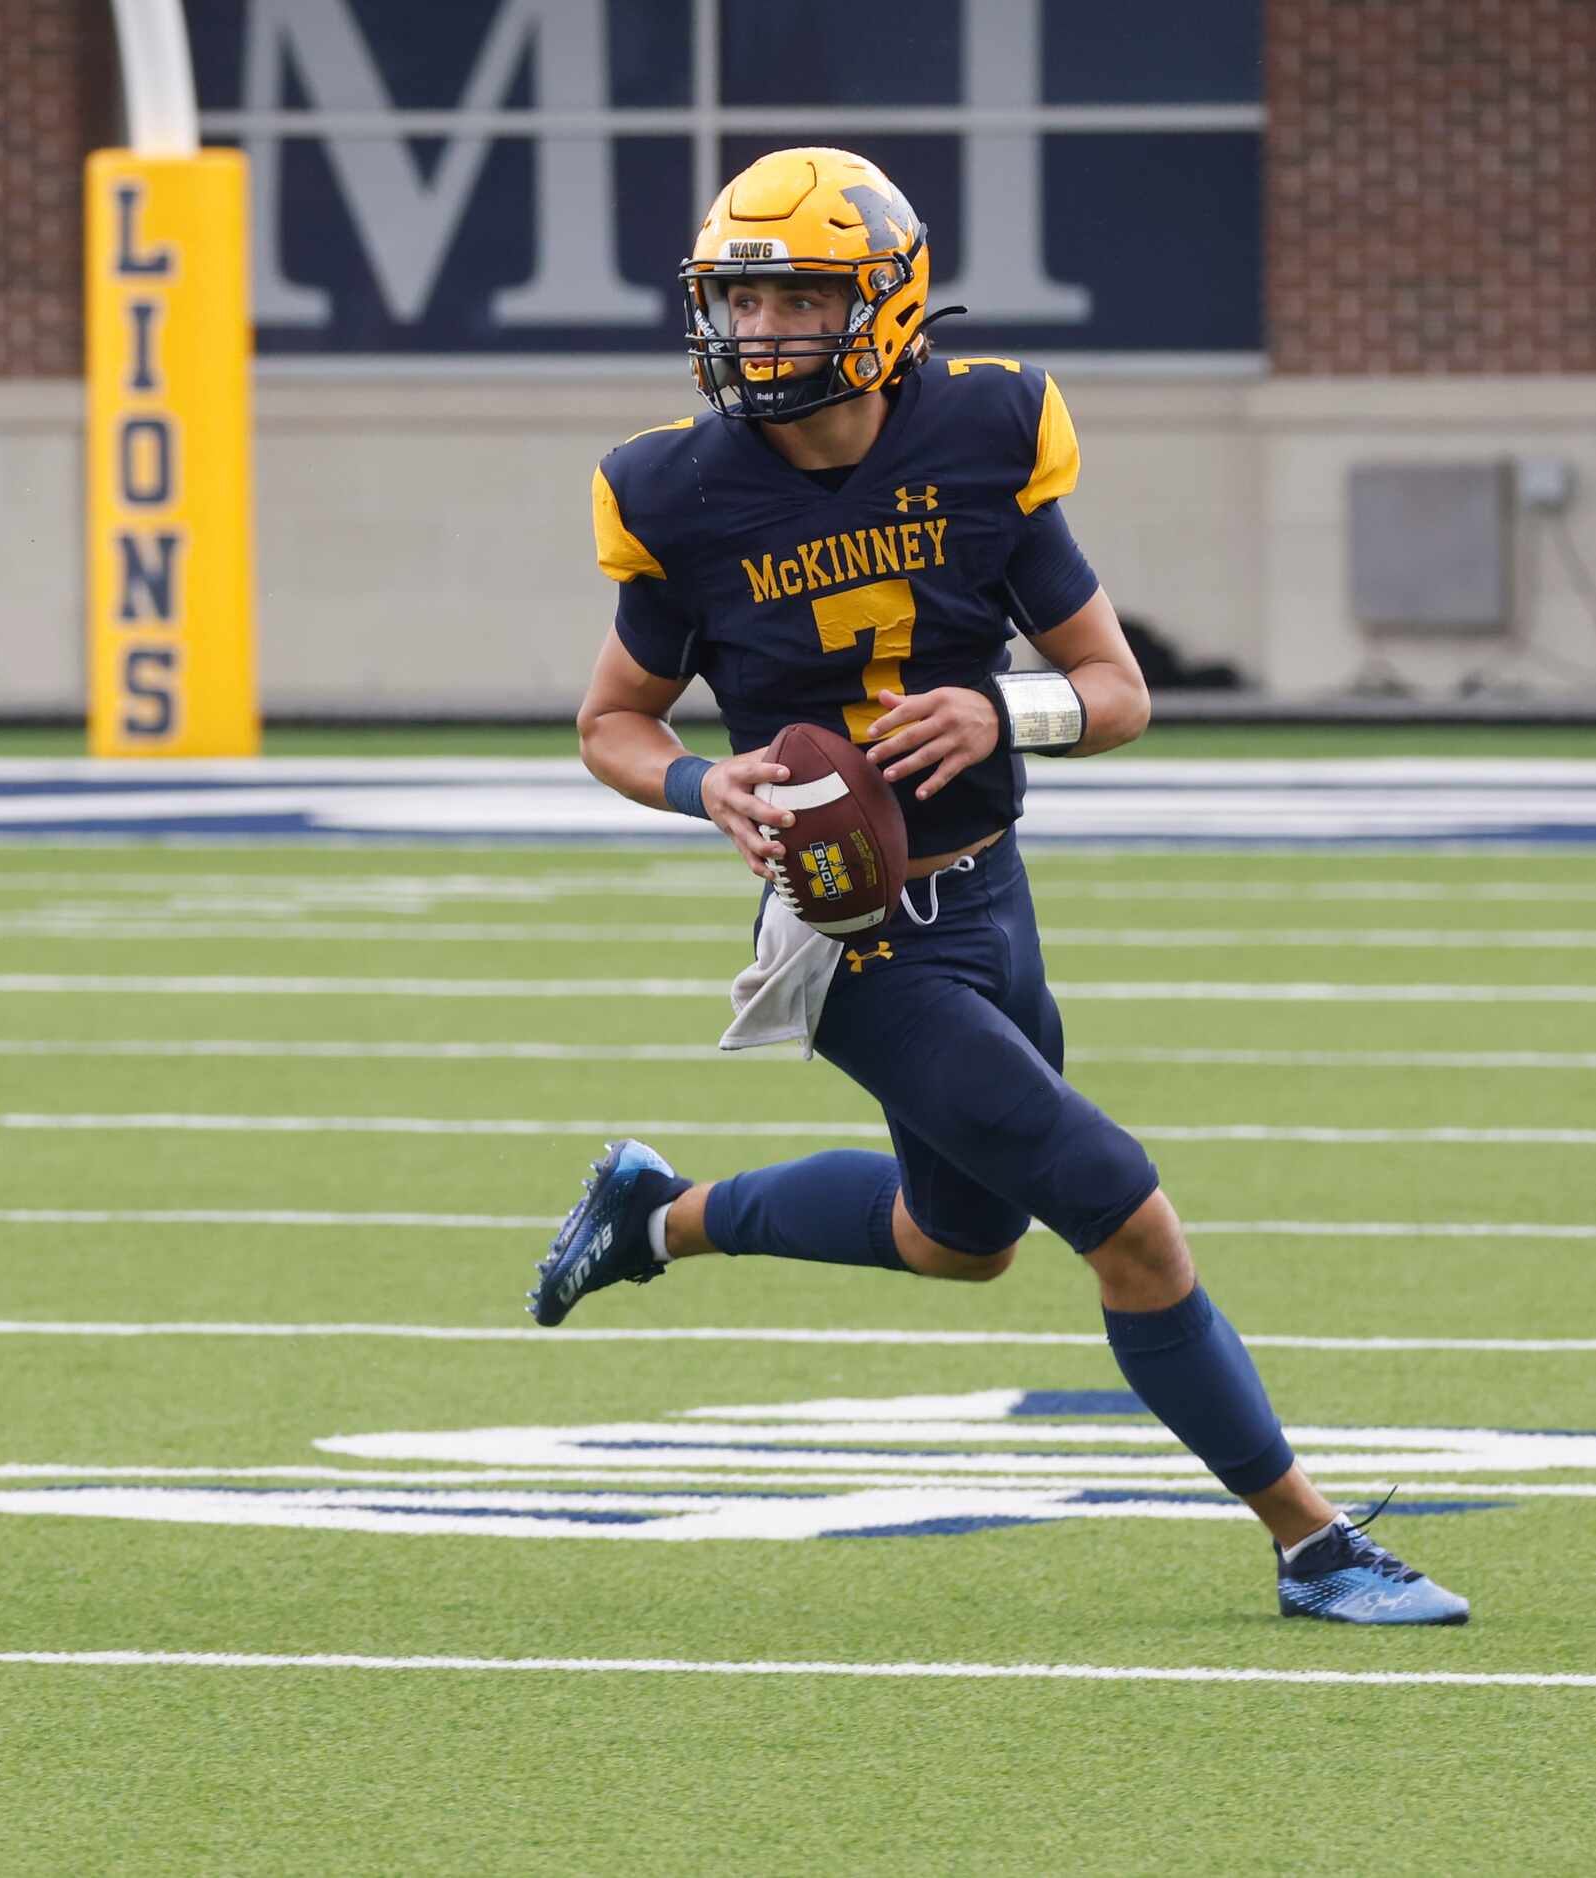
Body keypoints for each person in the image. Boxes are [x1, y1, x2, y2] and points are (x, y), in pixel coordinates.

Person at [525, 147, 1465, 1626]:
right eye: (741, 297)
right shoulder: (678, 493)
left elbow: (1118, 690)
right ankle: (1311, 1536)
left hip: (988, 892)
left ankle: (655, 1213)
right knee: (1127, 1217)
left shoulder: (984, 434)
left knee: (951, 1242)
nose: (760, 330)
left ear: (887, 305)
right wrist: (705, 784)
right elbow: (610, 721)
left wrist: (1001, 709)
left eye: (795, 296)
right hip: (850, 939)